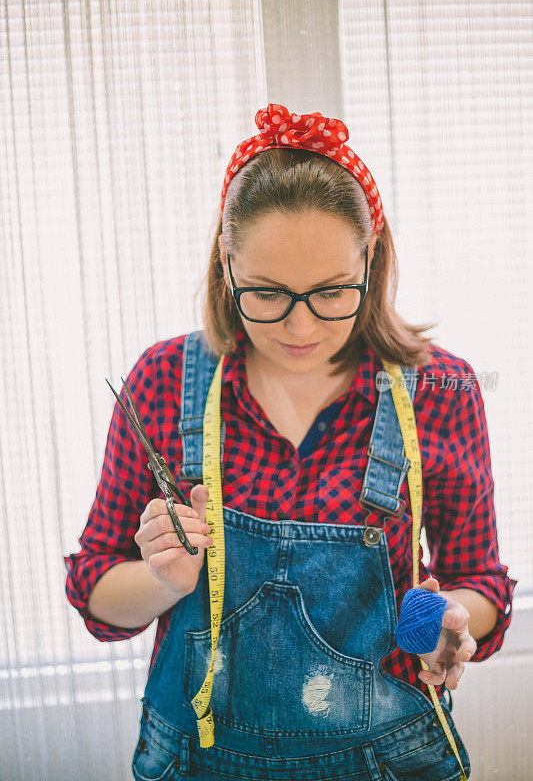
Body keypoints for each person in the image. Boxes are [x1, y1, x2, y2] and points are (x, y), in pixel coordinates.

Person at [64, 103, 517, 781]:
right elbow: (97, 589)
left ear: (370, 258)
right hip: (197, 760)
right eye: (267, 293)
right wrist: (160, 579)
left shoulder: (440, 387)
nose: (300, 325)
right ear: (226, 263)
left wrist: (452, 617)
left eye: (332, 291)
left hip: (388, 761)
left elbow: (481, 583)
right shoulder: (161, 381)